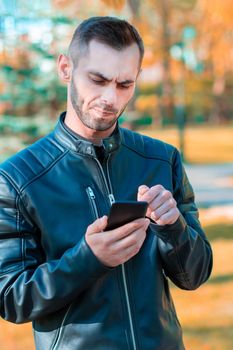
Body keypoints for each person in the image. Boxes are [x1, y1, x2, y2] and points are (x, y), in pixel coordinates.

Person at [0, 16, 212, 350]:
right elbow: (12, 298)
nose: (110, 98)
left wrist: (174, 228)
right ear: (66, 68)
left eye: (124, 84)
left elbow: (195, 275)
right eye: (97, 80)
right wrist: (88, 259)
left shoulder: (161, 159)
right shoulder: (18, 179)